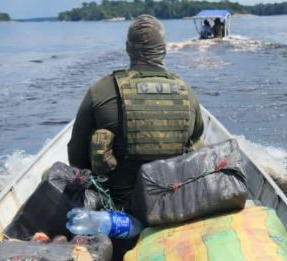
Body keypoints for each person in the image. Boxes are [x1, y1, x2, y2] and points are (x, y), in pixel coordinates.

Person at [67, 15, 204, 209]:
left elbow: (76, 155)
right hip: (173, 206)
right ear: (164, 50)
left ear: (128, 49)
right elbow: (196, 142)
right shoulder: (186, 93)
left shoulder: (100, 91)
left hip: (116, 208)